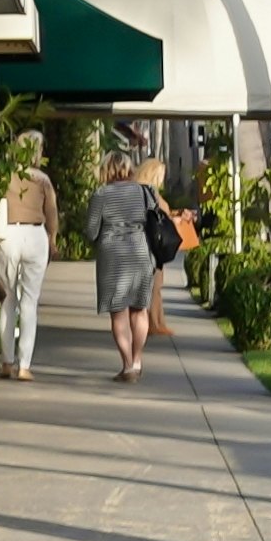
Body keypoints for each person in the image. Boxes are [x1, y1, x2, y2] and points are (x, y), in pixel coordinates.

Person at [83, 150, 170, 381]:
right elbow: (156, 219)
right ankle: (138, 358)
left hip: (112, 256)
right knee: (139, 310)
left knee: (118, 313)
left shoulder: (101, 194)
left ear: (106, 170)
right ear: (129, 168)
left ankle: (127, 365)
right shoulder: (146, 191)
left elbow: (91, 232)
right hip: (141, 252)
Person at [0, 148, 58, 380]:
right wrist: (53, 237)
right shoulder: (42, 179)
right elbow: (52, 212)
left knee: (8, 300)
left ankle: (6, 363)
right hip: (35, 235)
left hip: (7, 233)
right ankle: (24, 366)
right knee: (30, 302)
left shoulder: (3, 176)